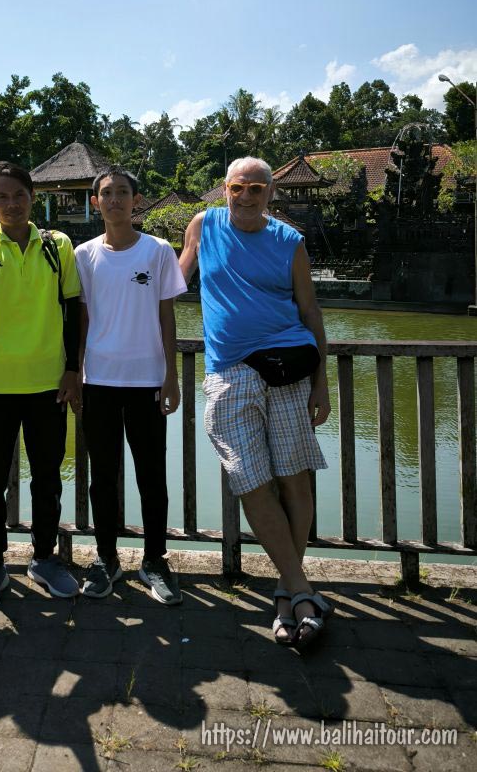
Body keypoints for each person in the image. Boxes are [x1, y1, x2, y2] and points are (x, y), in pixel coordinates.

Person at [179, 156, 333, 649]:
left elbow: (310, 311)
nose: (245, 197)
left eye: (256, 189)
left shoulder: (289, 241)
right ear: (224, 188)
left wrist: (322, 383)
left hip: (288, 370)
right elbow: (171, 283)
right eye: (237, 187)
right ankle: (301, 591)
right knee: (250, 480)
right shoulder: (204, 226)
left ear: (271, 193)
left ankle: (289, 594)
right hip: (228, 373)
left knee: (293, 479)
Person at [0, 161, 81, 611]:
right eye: (2, 197)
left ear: (33, 197)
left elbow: (72, 309)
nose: (12, 204)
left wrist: (72, 369)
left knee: (47, 478)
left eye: (19, 195)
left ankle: (44, 559)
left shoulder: (57, 245)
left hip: (47, 382)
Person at [74, 167, 188, 604]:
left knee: (151, 475)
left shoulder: (157, 251)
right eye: (107, 193)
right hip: (98, 380)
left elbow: (166, 316)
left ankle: (155, 560)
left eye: (123, 192)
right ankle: (107, 559)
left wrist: (171, 376)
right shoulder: (84, 255)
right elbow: (82, 319)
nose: (115, 199)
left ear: (136, 200)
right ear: (95, 202)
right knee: (102, 477)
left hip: (147, 380)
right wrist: (75, 373)